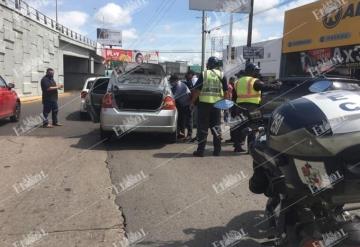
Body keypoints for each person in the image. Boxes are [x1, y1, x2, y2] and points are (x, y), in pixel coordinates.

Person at [232, 63, 281, 152]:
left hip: (239, 107)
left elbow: (234, 97)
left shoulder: (237, 82)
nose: (257, 73)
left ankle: (237, 147)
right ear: (252, 71)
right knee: (253, 127)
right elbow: (265, 87)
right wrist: (277, 85)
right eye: (256, 71)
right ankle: (251, 148)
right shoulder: (253, 81)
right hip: (253, 108)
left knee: (240, 127)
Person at [191, 56, 228, 157]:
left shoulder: (204, 74)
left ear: (209, 64)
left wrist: (192, 102)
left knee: (203, 128)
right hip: (217, 106)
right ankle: (217, 151)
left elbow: (197, 91)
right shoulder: (222, 75)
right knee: (216, 128)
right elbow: (226, 92)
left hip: (204, 105)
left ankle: (200, 151)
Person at [170, 74, 192, 140]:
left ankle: (189, 135)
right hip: (181, 104)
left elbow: (174, 97)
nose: (171, 83)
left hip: (187, 104)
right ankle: (181, 134)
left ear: (176, 80)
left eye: (171, 81)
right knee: (181, 119)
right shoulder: (176, 85)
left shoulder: (180, 86)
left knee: (188, 120)